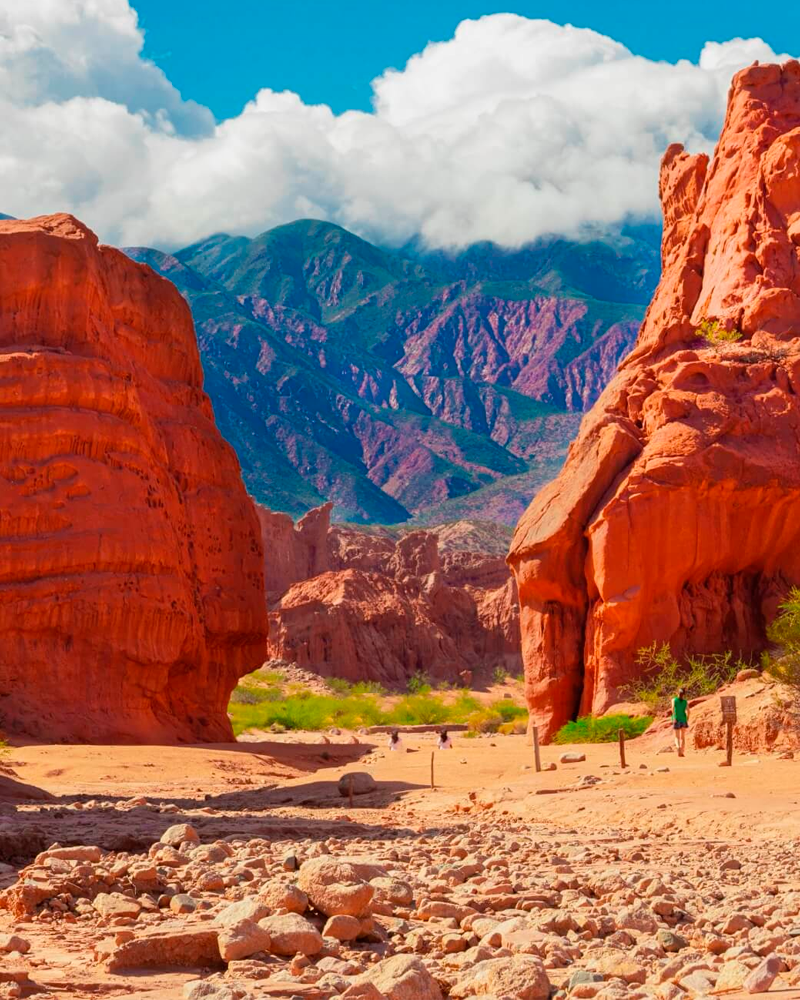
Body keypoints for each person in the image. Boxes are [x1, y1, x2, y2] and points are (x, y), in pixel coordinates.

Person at [672, 686, 689, 756]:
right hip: (683, 719)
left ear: (677, 693)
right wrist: (687, 718)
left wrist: (674, 718)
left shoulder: (674, 700)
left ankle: (678, 747)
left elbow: (673, 709)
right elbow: (689, 711)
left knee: (676, 737)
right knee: (683, 737)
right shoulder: (685, 702)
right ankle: (681, 751)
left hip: (676, 719)